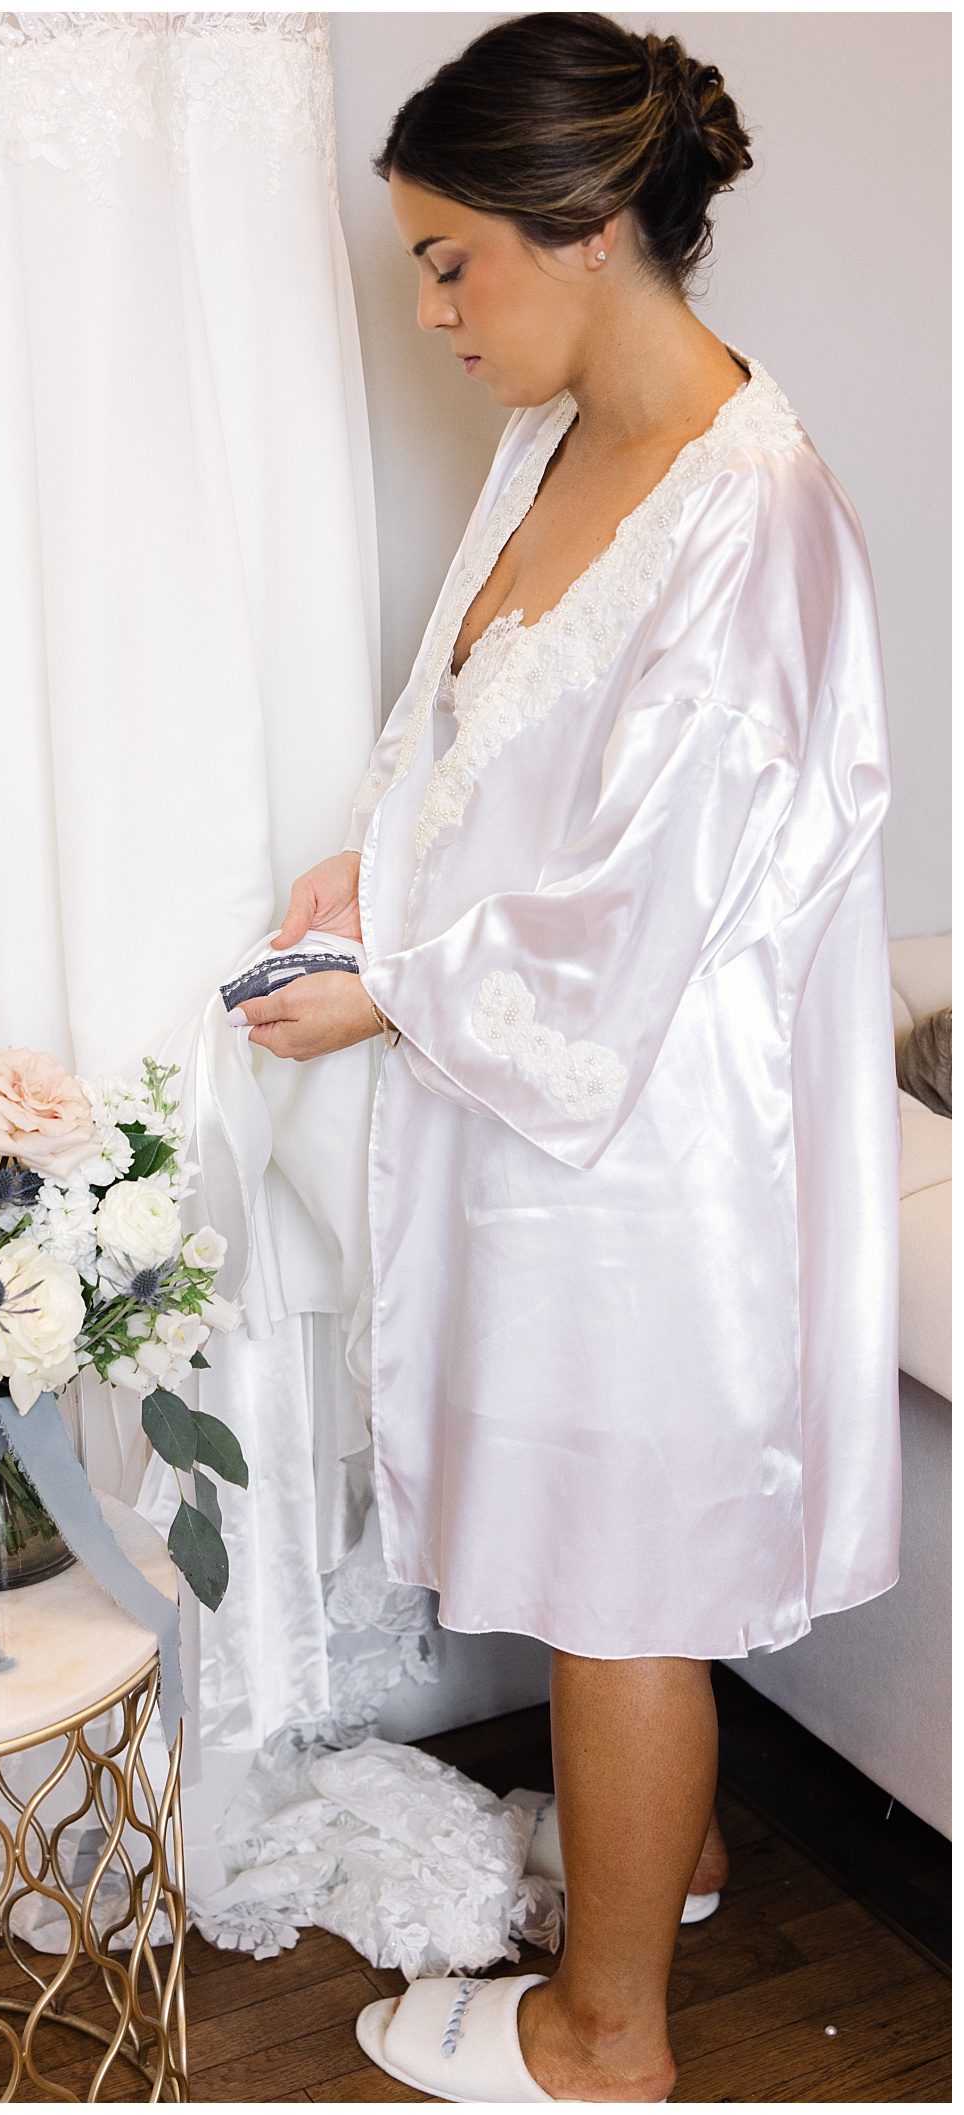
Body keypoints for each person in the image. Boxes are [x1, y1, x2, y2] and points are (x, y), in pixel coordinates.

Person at [241, 14, 899, 2102]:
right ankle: (670, 1864)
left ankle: (604, 2033)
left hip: (655, 1143)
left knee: (624, 1585)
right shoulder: (554, 434)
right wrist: (385, 856)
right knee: (577, 1542)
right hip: (543, 1123)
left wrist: (392, 982)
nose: (430, 306)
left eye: (452, 261)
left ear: (592, 227)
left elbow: (641, 912)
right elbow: (496, 732)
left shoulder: (754, 516)